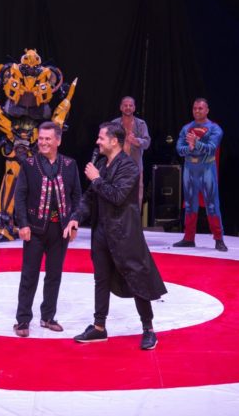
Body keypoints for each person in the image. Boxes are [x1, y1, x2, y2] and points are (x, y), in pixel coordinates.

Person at [64, 122, 167, 350]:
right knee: (101, 279)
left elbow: (118, 196)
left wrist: (96, 179)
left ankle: (148, 329)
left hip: (124, 234)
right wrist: (76, 217)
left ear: (114, 141)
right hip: (101, 232)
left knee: (136, 277)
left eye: (101, 138)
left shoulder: (129, 167)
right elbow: (90, 197)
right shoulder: (102, 164)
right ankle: (99, 327)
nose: (97, 142)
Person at [12, 121, 81, 337]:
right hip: (34, 229)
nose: (42, 142)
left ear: (58, 141)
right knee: (29, 275)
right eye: (40, 138)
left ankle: (48, 316)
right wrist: (23, 224)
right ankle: (23, 320)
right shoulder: (29, 164)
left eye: (47, 139)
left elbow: (77, 197)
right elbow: (20, 196)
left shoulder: (70, 164)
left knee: (54, 275)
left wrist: (74, 221)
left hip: (60, 230)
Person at [173, 98, 228, 251]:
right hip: (190, 168)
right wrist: (190, 148)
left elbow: (211, 148)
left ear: (207, 110)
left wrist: (196, 143)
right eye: (195, 108)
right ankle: (188, 238)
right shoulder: (186, 128)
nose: (197, 111)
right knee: (190, 204)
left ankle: (219, 239)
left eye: (200, 108)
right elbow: (179, 149)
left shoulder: (215, 129)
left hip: (207, 169)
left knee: (212, 204)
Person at [111, 96, 150, 209]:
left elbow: (147, 142)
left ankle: (135, 219)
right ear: (121, 107)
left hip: (135, 167)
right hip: (117, 166)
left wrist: (136, 141)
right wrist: (121, 142)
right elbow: (108, 142)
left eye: (130, 105)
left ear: (134, 108)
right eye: (125, 105)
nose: (128, 107)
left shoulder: (141, 124)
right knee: (116, 194)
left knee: (136, 197)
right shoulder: (114, 124)